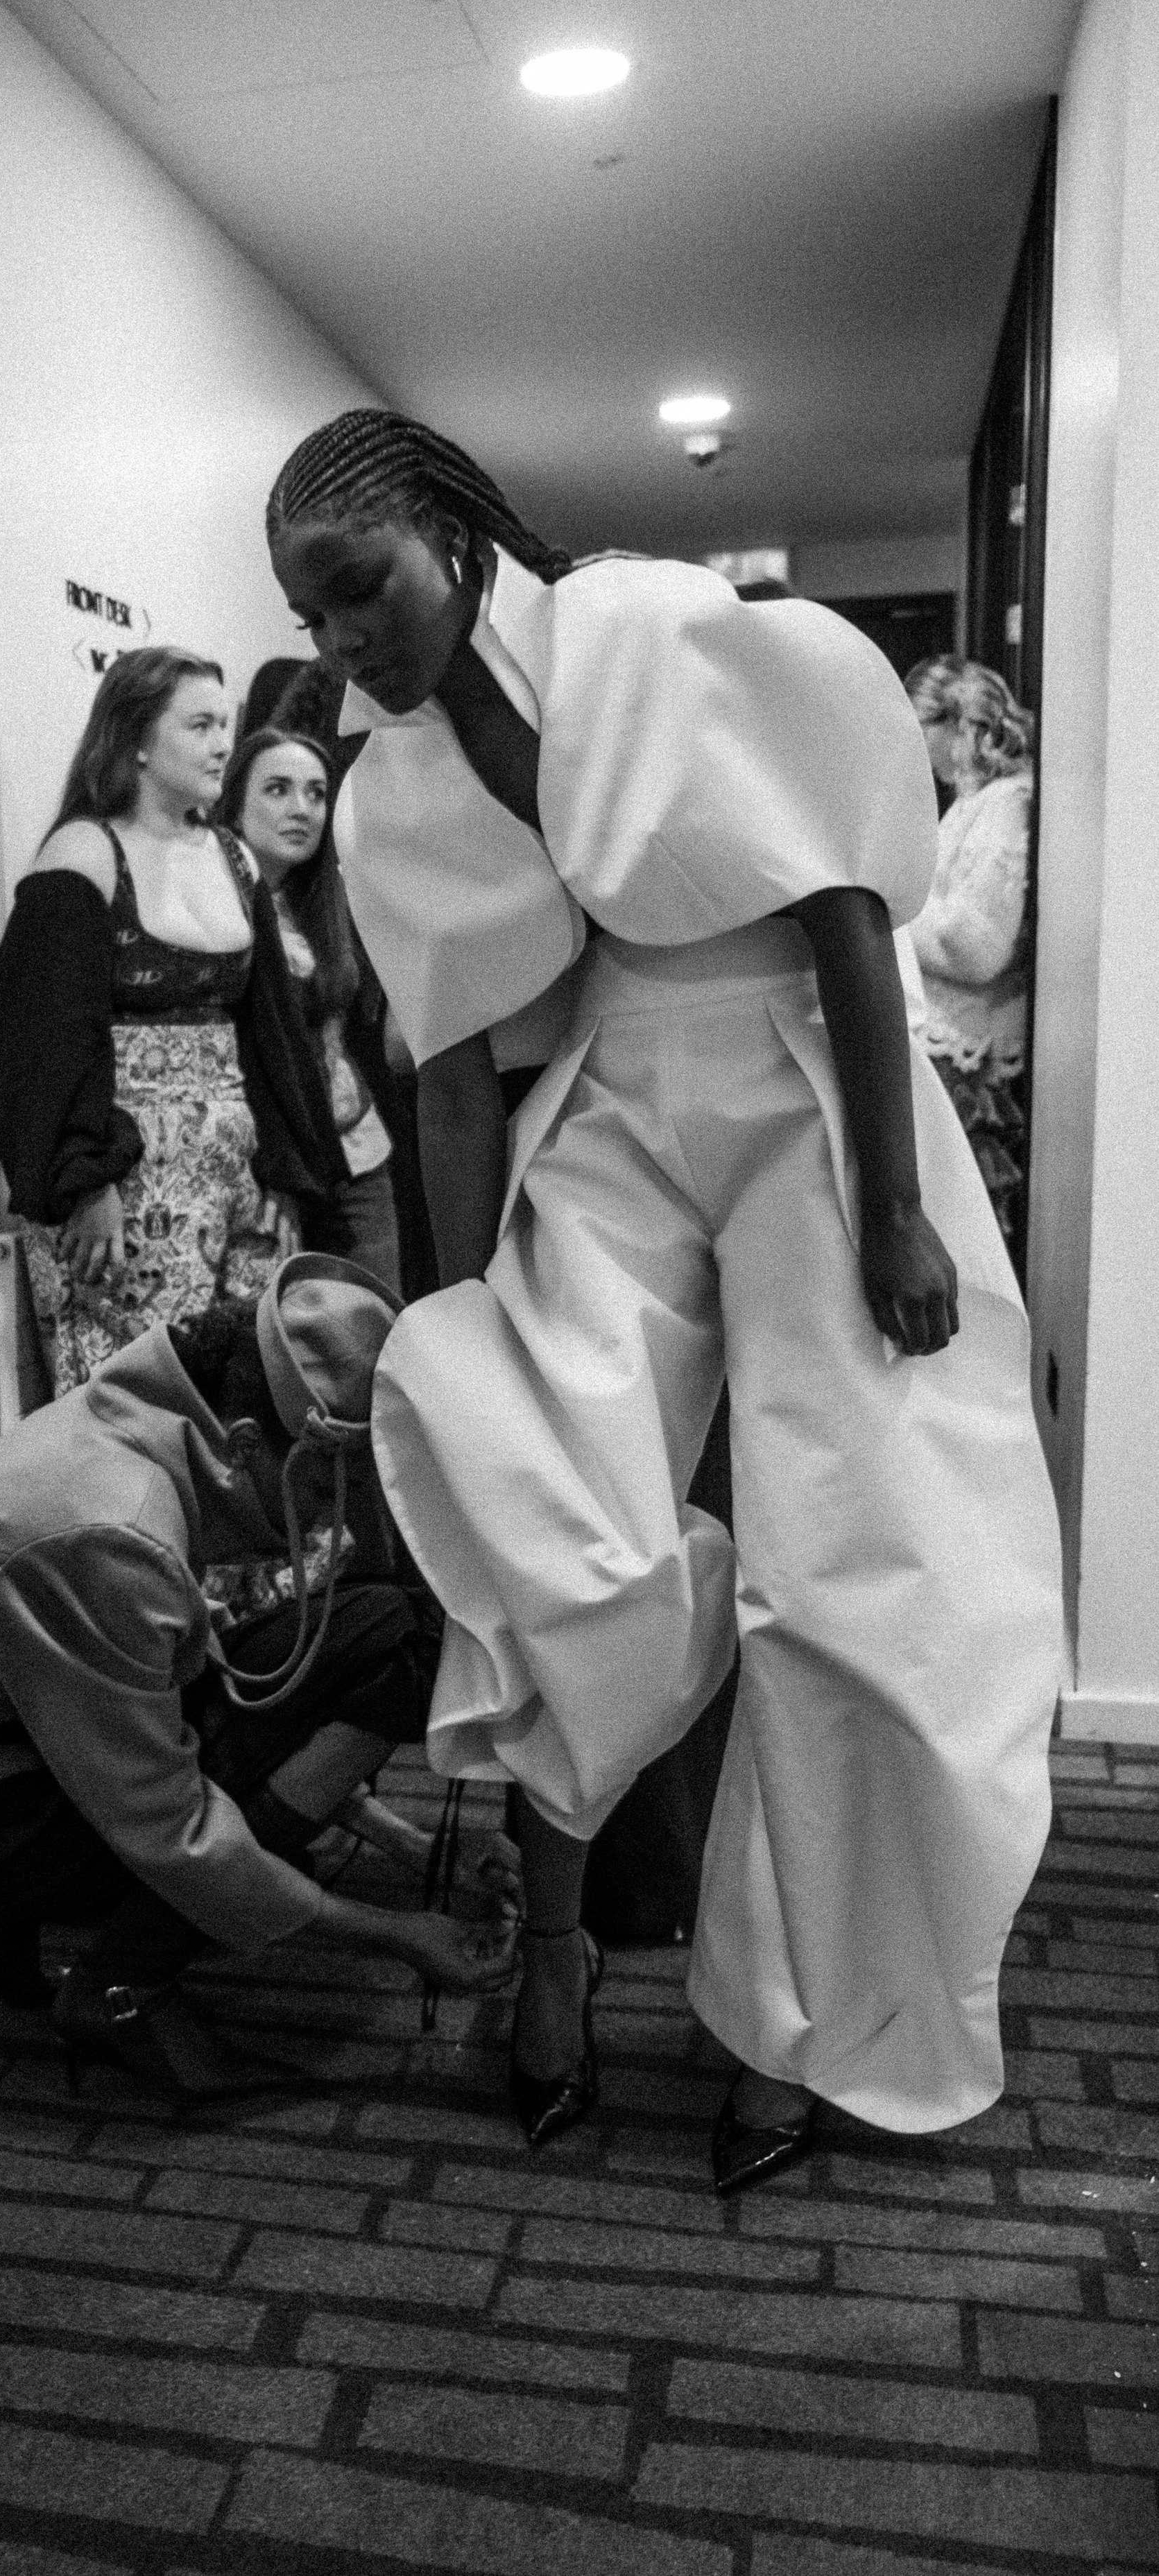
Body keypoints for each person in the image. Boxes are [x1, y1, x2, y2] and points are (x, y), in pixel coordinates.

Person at [264, 409, 1063, 2186]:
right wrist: (456, 1326)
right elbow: (457, 1080)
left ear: (451, 537)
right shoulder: (393, 779)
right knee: (549, 1529)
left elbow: (848, 915)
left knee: (845, 1573)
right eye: (312, 622)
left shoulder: (643, 632)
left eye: (360, 592)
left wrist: (897, 1207)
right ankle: (550, 1942)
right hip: (611, 1093)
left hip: (802, 1079)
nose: (344, 644)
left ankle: (786, 2033)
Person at [0, 1255, 514, 2091]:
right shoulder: (110, 1532)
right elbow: (167, 1825)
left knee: (377, 1631)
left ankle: (48, 1932)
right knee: (381, 1645)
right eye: (327, 1481)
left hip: (13, 1751)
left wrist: (417, 1846)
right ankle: (118, 1988)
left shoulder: (149, 1416)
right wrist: (397, 1931)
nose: (334, 1513)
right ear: (246, 1445)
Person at [0, 649, 338, 1396]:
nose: (220, 745)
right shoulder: (85, 852)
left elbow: (271, 1030)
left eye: (224, 726)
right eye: (199, 725)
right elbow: (38, 1037)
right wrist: (83, 1181)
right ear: (136, 737)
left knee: (247, 1389)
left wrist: (282, 1168)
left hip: (234, 1176)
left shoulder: (233, 857)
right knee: (145, 1397)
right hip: (126, 1188)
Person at [215, 727, 400, 1289]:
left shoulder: (323, 899)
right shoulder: (214, 905)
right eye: (277, 789)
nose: (302, 810)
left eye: (317, 794)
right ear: (235, 803)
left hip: (356, 1148)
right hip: (265, 1163)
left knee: (375, 1322)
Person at [903, 655, 1035, 1248]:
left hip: (971, 1054)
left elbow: (979, 949)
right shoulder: (971, 802)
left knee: (966, 1236)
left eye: (920, 728)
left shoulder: (1006, 804)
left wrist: (895, 917)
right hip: (953, 1045)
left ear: (958, 728)